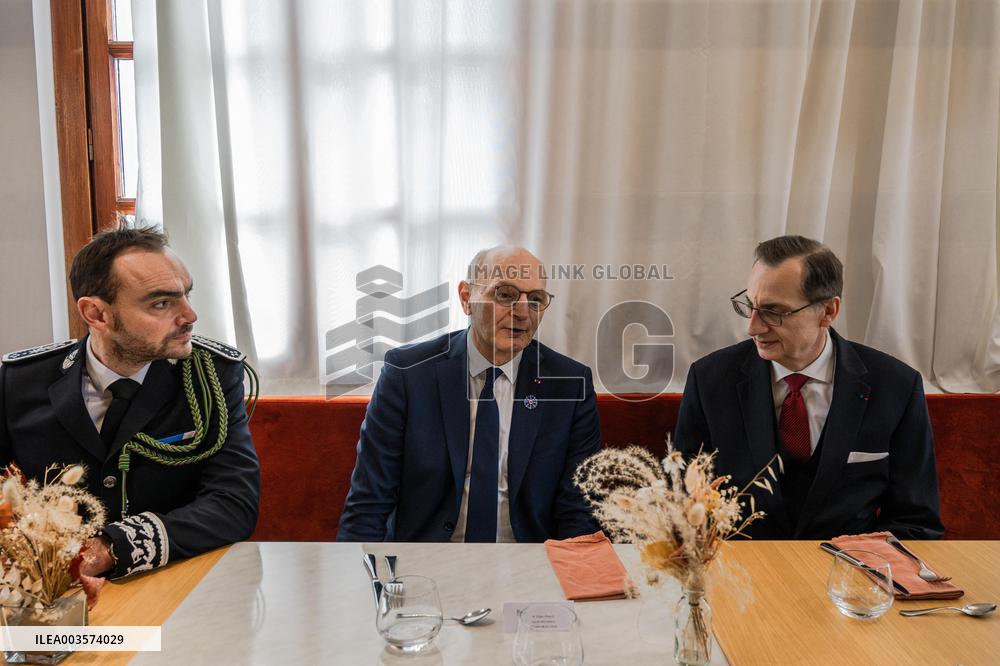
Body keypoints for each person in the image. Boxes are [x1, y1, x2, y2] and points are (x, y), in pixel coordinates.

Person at [0, 224, 260, 579]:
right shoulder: (20, 380)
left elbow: (234, 505)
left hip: (171, 582)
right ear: (97, 314)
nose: (189, 316)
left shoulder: (210, 377)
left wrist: (111, 548)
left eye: (186, 295)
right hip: (50, 591)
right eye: (162, 303)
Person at [674, 235, 944, 540]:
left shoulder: (897, 386)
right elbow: (683, 503)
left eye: (774, 312)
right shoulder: (709, 379)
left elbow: (916, 522)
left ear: (828, 311)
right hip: (740, 576)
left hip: (849, 577)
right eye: (750, 305)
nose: (753, 327)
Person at [338, 246, 601, 542]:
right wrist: (361, 581)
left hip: (530, 562)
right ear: (466, 298)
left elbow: (579, 509)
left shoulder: (569, 384)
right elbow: (369, 501)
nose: (524, 312)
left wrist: (572, 583)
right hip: (427, 563)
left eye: (536, 300)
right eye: (505, 294)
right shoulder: (408, 374)